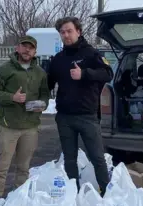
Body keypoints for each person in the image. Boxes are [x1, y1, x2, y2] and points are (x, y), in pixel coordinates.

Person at [48, 17, 113, 195]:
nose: (66, 35)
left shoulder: (91, 54)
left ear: (79, 31)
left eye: (69, 31)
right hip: (65, 118)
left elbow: (108, 73)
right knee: (69, 159)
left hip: (87, 117)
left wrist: (84, 73)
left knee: (97, 158)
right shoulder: (58, 59)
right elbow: (47, 83)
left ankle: (106, 193)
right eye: (62, 32)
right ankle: (72, 193)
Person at [0, 35, 50, 202]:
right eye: (24, 46)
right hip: (8, 126)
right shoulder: (4, 69)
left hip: (30, 127)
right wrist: (11, 98)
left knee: (23, 168)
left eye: (31, 47)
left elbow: (45, 94)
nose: (27, 49)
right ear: (17, 48)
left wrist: (43, 104)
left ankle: (18, 200)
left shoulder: (40, 72)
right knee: (1, 168)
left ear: (35, 51)